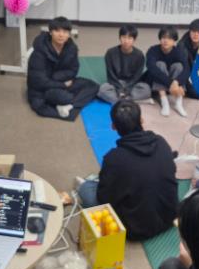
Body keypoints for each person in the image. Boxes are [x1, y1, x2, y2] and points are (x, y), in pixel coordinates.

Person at [76, 100, 177, 240]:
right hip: (169, 217)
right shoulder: (161, 141)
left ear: (113, 126)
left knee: (86, 189)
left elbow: (105, 199)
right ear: (141, 120)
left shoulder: (113, 158)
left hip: (136, 229)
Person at [27, 16, 99, 120]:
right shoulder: (39, 52)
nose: (61, 35)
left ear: (69, 34)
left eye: (65, 32)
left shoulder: (71, 48)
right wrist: (62, 84)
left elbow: (74, 69)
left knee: (93, 86)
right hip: (44, 88)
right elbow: (39, 82)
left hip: (62, 81)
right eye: (57, 31)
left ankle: (69, 106)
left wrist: (57, 77)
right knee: (64, 97)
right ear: (50, 32)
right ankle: (68, 101)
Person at [97, 24, 151, 104]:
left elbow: (137, 77)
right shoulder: (110, 53)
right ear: (119, 38)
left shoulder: (139, 55)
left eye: (129, 38)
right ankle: (128, 100)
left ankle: (118, 101)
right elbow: (111, 76)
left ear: (134, 40)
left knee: (146, 89)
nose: (126, 41)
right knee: (102, 89)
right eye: (124, 37)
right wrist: (119, 89)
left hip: (132, 84)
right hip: (115, 83)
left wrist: (127, 90)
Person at [144, 26, 189, 117]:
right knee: (160, 64)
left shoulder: (179, 51)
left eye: (169, 38)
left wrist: (176, 82)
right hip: (156, 81)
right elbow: (151, 68)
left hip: (173, 82)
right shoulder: (153, 50)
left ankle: (178, 103)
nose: (166, 41)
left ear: (174, 40)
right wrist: (172, 83)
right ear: (160, 39)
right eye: (163, 38)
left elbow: (187, 69)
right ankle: (164, 101)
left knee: (179, 66)